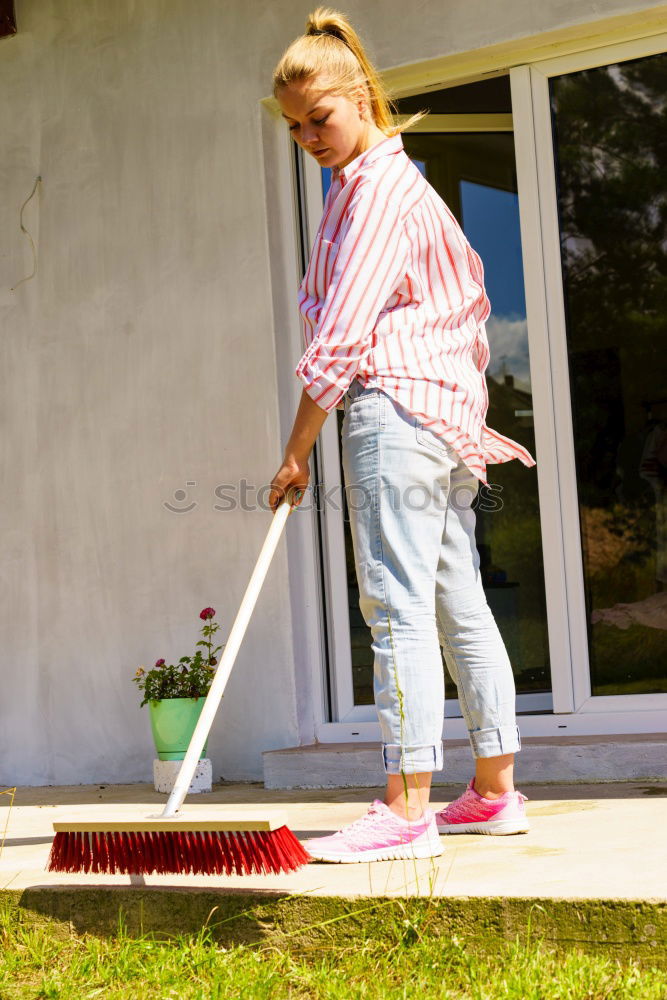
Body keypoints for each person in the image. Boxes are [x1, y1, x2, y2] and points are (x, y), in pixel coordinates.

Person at [269, 6, 536, 864]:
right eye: (295, 126)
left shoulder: (377, 191)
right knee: (455, 598)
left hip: (395, 408)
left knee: (392, 605)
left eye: (321, 117)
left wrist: (296, 447)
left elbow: (342, 336)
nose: (309, 135)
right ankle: (492, 792)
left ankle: (405, 805)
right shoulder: (387, 186)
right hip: (442, 418)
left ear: (361, 97)